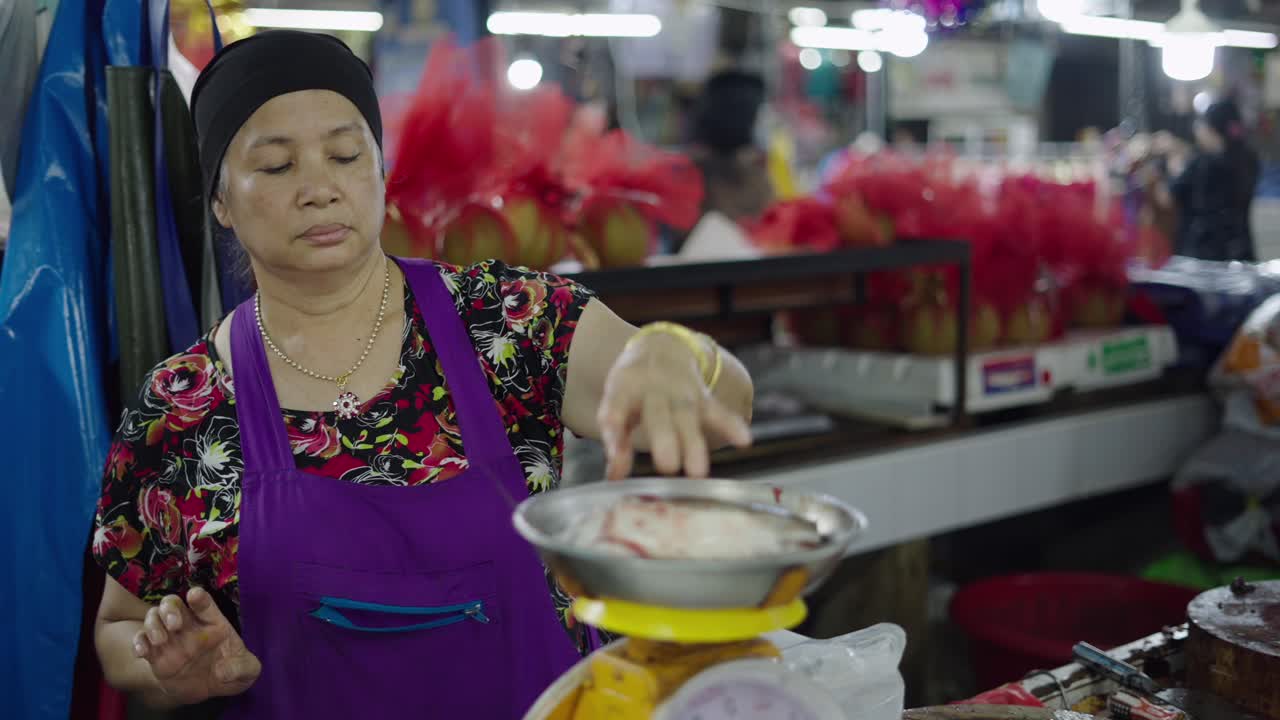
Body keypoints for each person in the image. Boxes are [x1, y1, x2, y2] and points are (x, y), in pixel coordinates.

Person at [91, 31, 754, 718]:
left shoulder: (507, 320)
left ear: (380, 173)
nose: (320, 188)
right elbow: (117, 628)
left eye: (346, 155)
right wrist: (174, 668)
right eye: (278, 166)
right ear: (222, 202)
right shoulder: (182, 406)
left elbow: (723, 395)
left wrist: (675, 350)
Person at [1157, 99, 1261, 262]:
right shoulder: (1250, 160)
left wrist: (1169, 169)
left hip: (1203, 256)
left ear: (1211, 129)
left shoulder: (1202, 163)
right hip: (1241, 253)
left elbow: (1166, 198)